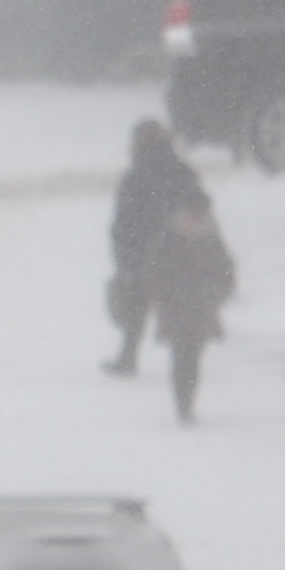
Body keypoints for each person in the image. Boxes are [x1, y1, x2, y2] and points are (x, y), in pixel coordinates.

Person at [106, 116, 211, 377]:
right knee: (182, 311)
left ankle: (128, 356)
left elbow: (123, 224)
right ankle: (186, 362)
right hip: (180, 253)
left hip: (143, 254)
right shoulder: (182, 171)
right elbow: (201, 205)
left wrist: (125, 260)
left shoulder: (135, 177)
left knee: (136, 307)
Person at [148, 201, 238, 421]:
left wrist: (218, 293)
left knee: (193, 358)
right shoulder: (170, 237)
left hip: (201, 307)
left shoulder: (211, 238)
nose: (196, 217)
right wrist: (161, 293)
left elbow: (225, 269)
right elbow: (156, 269)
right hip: (176, 307)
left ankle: (187, 403)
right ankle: (183, 404)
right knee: (181, 357)